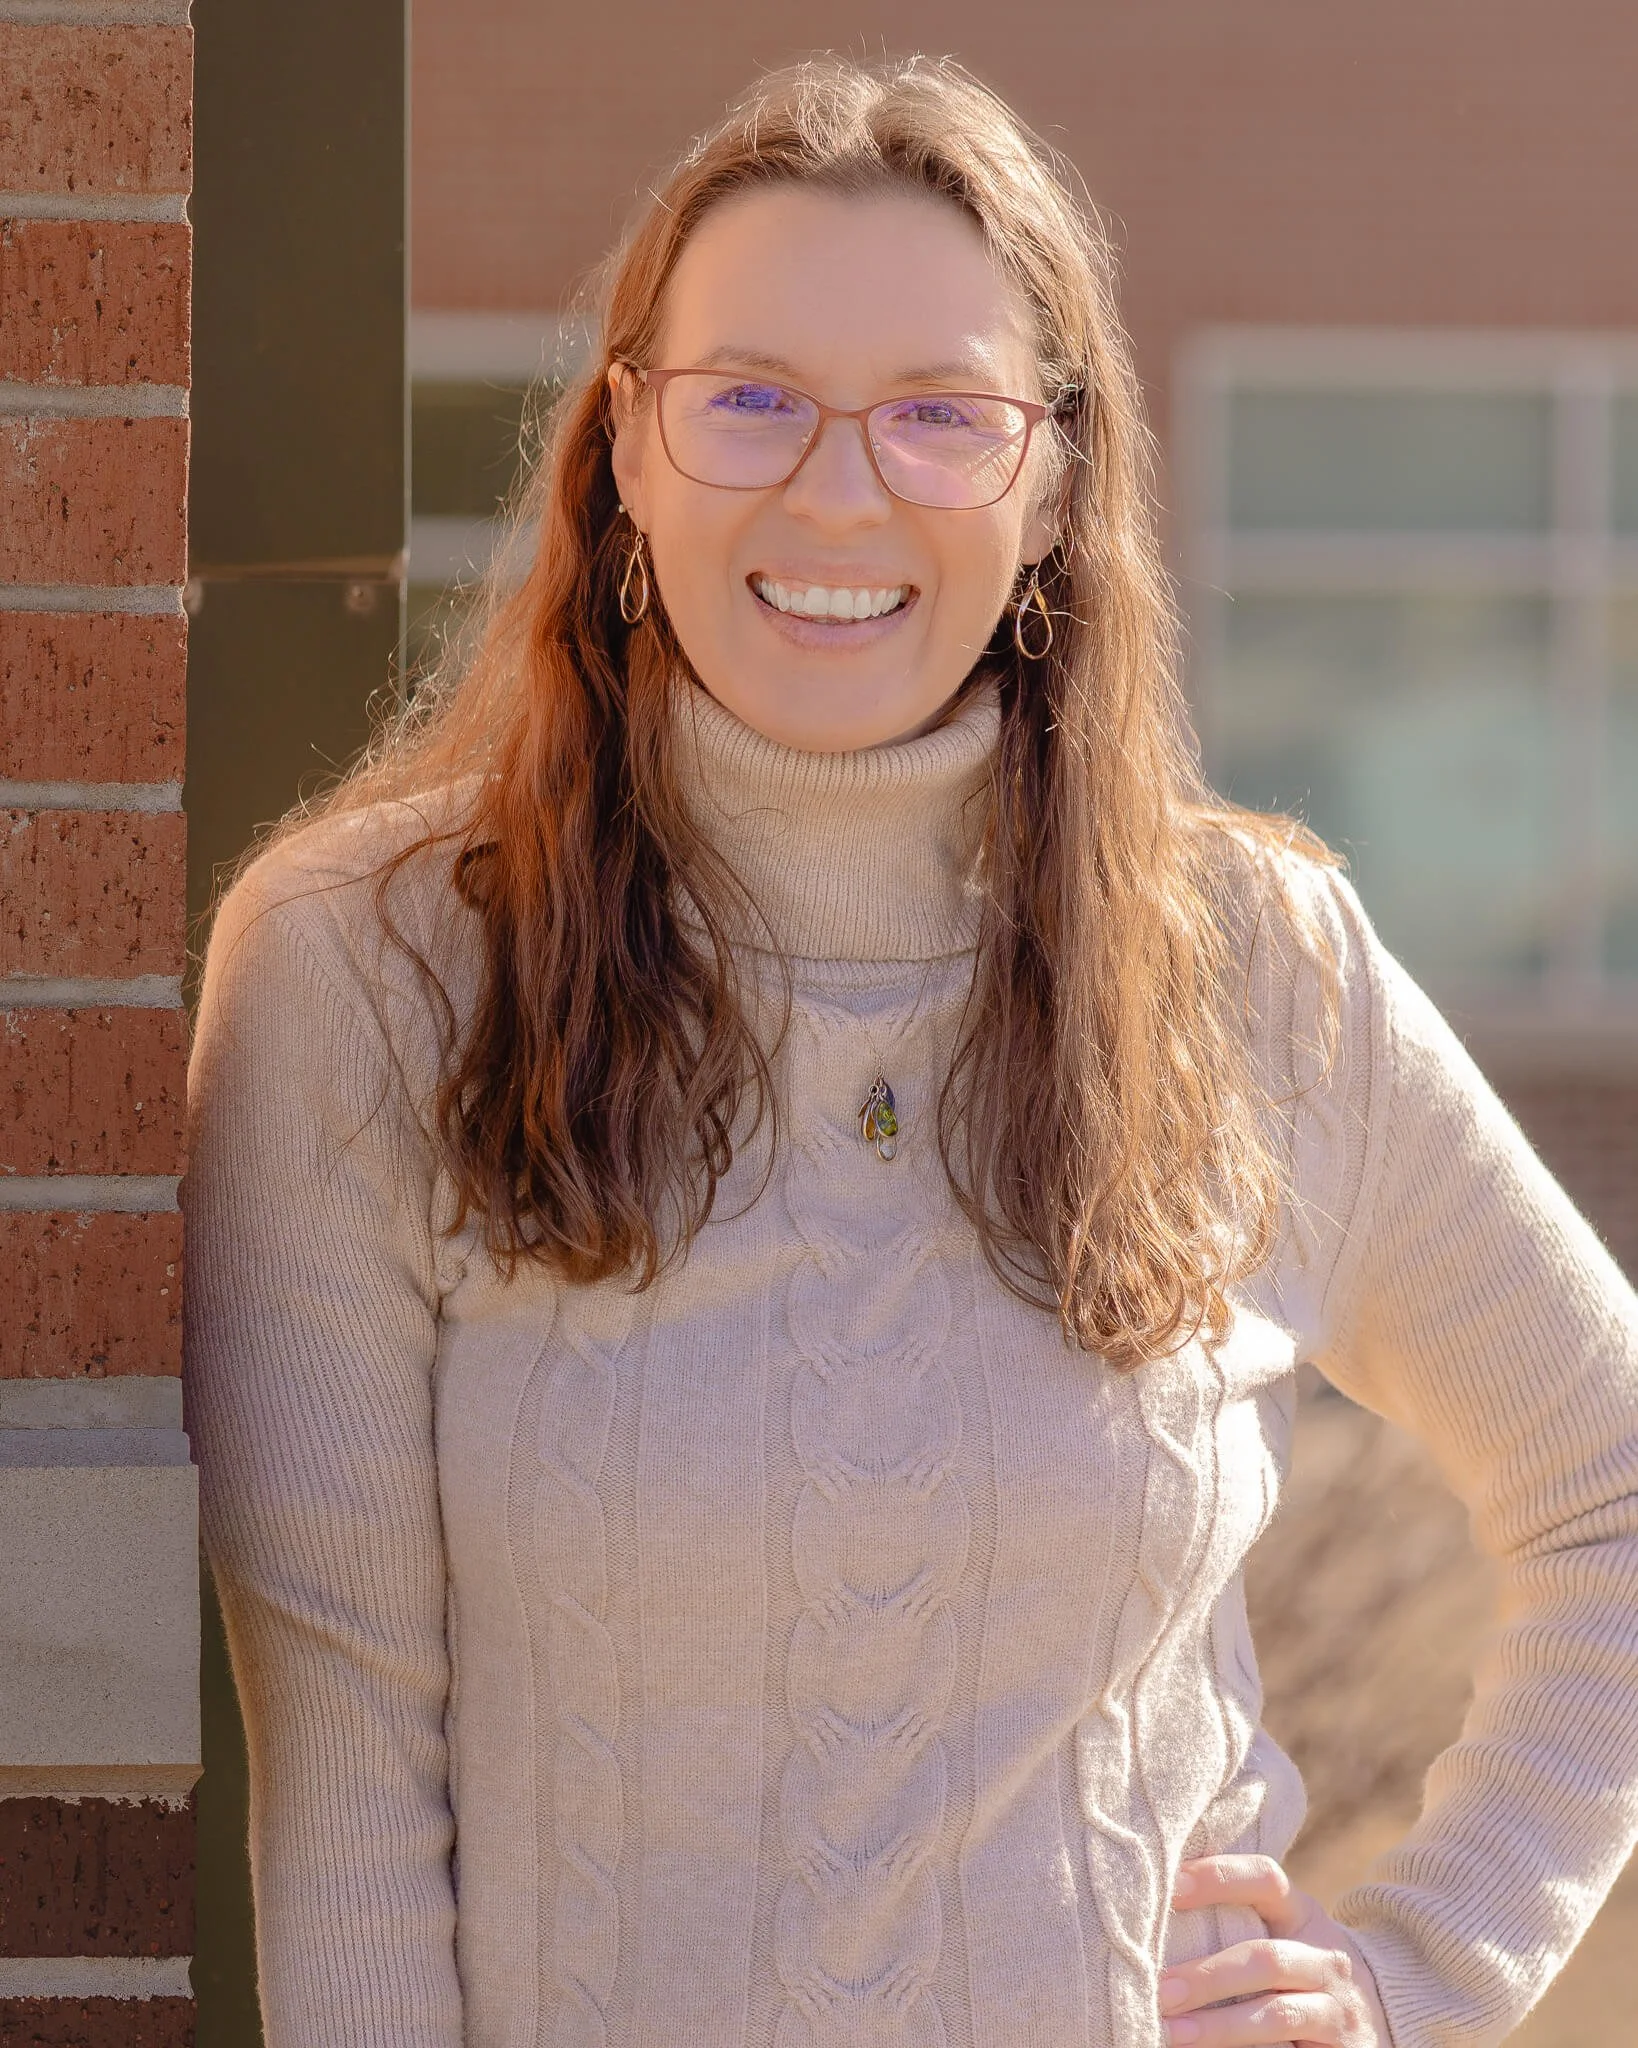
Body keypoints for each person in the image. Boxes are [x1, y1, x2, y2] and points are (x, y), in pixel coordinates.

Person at [183, 54, 1638, 2048]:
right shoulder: (374, 973)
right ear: (622, 450)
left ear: (1049, 484)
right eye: (751, 398)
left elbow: (1612, 1484)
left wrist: (1413, 1981)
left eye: (940, 416)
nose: (837, 487)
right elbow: (350, 1760)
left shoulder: (1250, 967)